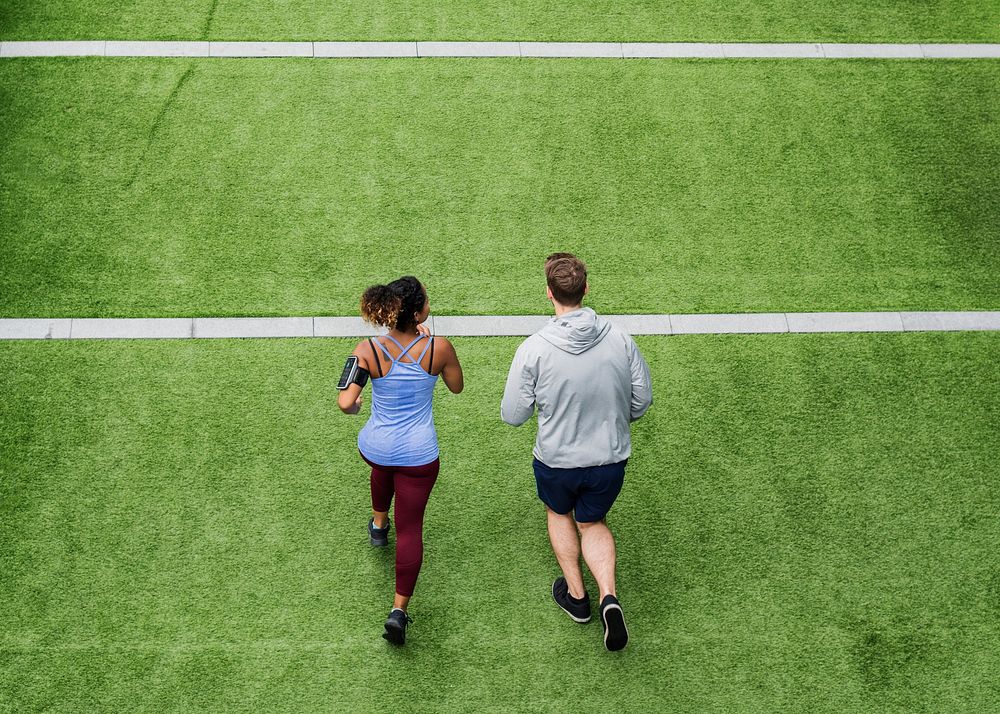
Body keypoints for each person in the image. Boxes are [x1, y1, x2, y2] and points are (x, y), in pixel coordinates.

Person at [501, 253, 652, 651]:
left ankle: (577, 597)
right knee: (594, 522)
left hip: (557, 462)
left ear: (549, 294)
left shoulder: (533, 349)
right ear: (585, 289)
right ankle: (608, 597)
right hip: (609, 460)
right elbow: (642, 400)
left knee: (559, 513)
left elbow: (513, 414)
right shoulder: (620, 338)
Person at [338, 276, 463, 645]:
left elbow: (347, 402)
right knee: (412, 529)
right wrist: (429, 347)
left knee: (382, 469)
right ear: (418, 310)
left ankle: (378, 525)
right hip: (419, 456)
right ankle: (398, 611)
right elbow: (456, 387)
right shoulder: (439, 348)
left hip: (376, 447)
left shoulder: (368, 349)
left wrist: (358, 403)